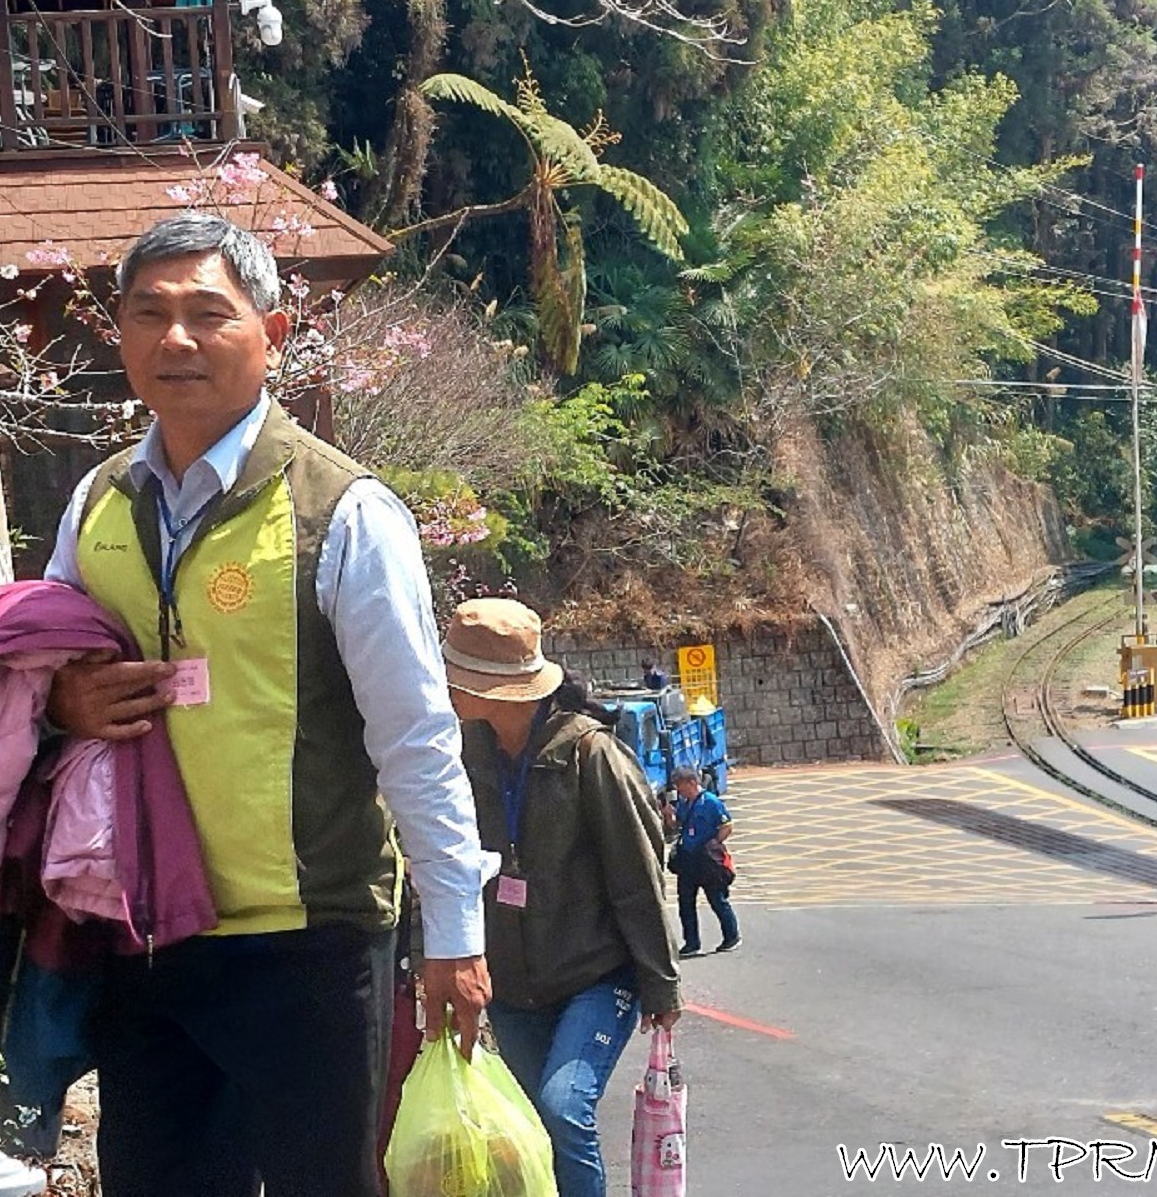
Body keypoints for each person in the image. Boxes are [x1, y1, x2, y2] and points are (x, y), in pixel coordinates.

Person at [41, 212, 500, 1197]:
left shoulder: (344, 513)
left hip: (310, 944)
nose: (176, 339)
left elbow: (416, 737)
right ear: (116, 333)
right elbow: (36, 675)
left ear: (274, 335)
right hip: (147, 938)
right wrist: (65, 701)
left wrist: (456, 935)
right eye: (148, 314)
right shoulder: (96, 508)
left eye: (209, 313)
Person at [444, 597, 682, 1197]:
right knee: (527, 1127)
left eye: (459, 680)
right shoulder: (466, 751)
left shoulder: (590, 753)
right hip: (514, 983)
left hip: (596, 974)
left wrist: (660, 981)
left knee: (561, 1108)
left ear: (500, 689)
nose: (446, 691)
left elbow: (638, 875)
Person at [668, 764, 739, 957]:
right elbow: (678, 824)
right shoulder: (685, 803)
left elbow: (727, 825)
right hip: (688, 860)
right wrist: (669, 816)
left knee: (717, 900)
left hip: (706, 861)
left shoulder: (710, 802)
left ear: (692, 783)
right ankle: (691, 943)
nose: (679, 790)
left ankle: (731, 936)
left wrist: (714, 843)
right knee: (685, 903)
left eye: (681, 786)